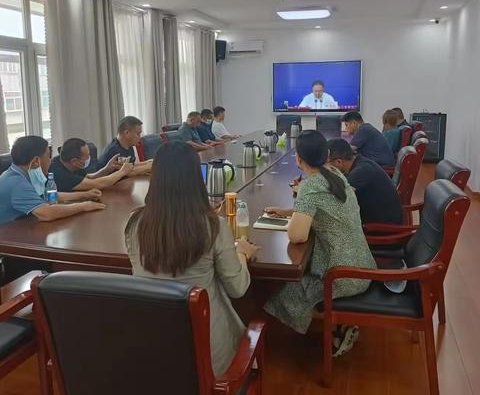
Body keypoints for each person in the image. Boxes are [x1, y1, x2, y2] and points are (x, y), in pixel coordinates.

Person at [125, 141, 259, 376]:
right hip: (206, 352)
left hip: (150, 345)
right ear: (197, 179)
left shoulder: (134, 224)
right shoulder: (212, 226)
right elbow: (237, 288)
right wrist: (241, 253)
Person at [264, 130, 376, 356]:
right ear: (326, 154)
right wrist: (290, 212)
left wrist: (293, 221)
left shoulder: (310, 186)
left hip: (342, 276)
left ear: (298, 159)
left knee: (276, 291)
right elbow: (324, 210)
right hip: (362, 265)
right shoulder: (334, 173)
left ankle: (263, 344)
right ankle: (344, 324)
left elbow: (297, 236)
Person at [0, 136, 106, 225]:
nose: (50, 161)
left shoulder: (22, 174)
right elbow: (47, 213)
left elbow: (50, 195)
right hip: (7, 241)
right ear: (36, 161)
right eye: (48, 156)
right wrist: (83, 206)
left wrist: (85, 195)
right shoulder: (17, 183)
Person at [327, 138, 403, 225]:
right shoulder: (359, 162)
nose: (325, 168)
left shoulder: (361, 172)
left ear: (338, 162)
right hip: (381, 215)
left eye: (326, 163)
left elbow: (337, 202)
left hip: (384, 226)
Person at [49, 138, 134, 192]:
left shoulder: (67, 162)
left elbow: (89, 177)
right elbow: (97, 184)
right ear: (74, 161)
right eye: (86, 156)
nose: (89, 158)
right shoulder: (60, 174)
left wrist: (107, 169)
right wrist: (122, 171)